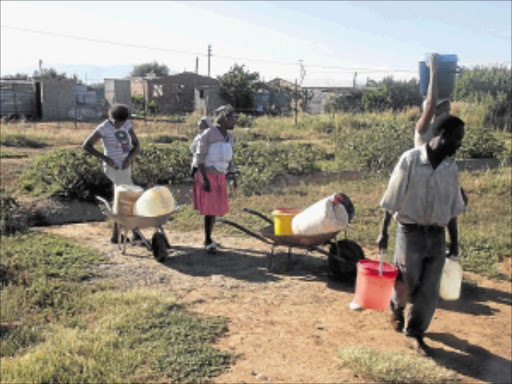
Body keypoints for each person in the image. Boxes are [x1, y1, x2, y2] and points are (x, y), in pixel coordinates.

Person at [377, 114, 467, 355]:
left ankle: (415, 332)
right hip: (411, 232)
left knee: (429, 289)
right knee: (406, 282)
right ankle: (396, 307)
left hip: (437, 235)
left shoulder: (451, 168)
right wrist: (383, 231)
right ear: (444, 135)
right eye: (457, 139)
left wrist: (454, 242)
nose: (460, 145)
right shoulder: (411, 160)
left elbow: (453, 208)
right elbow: (391, 198)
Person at [83, 104, 140, 243]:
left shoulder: (127, 124)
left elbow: (137, 145)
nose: (119, 125)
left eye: (121, 122)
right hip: (113, 167)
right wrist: (106, 159)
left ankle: (119, 234)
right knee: (126, 195)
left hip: (126, 166)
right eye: (116, 122)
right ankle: (133, 232)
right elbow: (86, 145)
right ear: (110, 117)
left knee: (124, 197)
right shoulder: (104, 127)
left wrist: (128, 159)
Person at [192, 105, 237, 253]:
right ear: (223, 119)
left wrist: (232, 175)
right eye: (231, 119)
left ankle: (210, 238)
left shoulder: (229, 137)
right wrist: (204, 179)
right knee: (209, 210)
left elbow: (230, 159)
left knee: (214, 209)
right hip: (208, 175)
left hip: (220, 176)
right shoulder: (209, 134)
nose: (234, 121)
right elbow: (200, 157)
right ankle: (207, 240)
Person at [415, 53, 451, 148]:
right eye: (445, 111)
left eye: (448, 110)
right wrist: (433, 71)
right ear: (434, 112)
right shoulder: (423, 127)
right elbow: (430, 105)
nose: (448, 114)